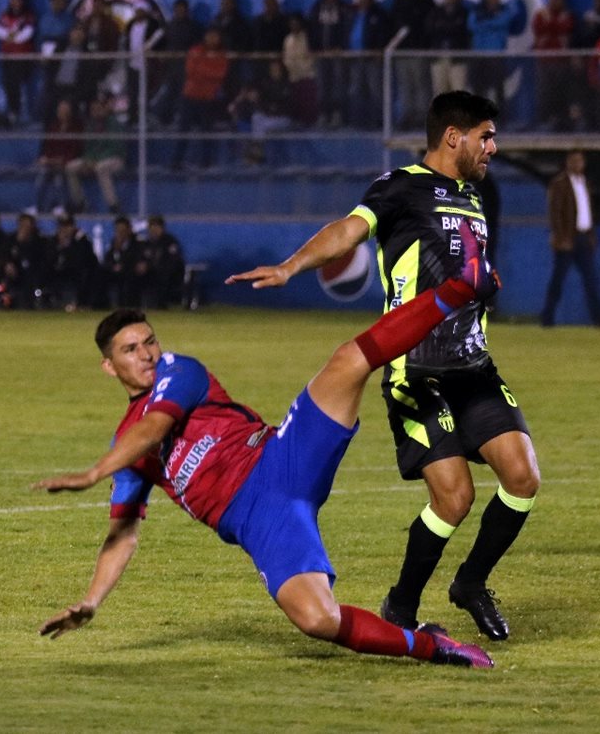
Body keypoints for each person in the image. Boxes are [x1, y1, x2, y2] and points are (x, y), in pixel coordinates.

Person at [33, 258, 499, 669]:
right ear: (109, 367)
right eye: (130, 350)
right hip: (259, 521)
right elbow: (122, 535)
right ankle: (432, 646)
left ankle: (461, 287)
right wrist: (90, 602)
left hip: (280, 458)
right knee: (318, 619)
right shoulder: (127, 447)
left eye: (149, 341)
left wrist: (93, 473)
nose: (147, 354)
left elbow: (154, 428)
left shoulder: (179, 371)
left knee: (347, 361)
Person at [226, 91, 538, 642]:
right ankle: (401, 605)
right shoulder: (402, 185)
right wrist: (291, 265)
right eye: (485, 136)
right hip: (416, 370)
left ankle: (471, 582)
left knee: (523, 477)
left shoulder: (476, 197)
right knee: (455, 499)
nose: (494, 146)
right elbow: (349, 231)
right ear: (453, 136)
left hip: (474, 365)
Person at [540, 149, 600, 327]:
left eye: (580, 161)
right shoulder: (559, 184)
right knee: (558, 280)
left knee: (591, 280)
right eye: (574, 161)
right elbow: (555, 212)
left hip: (583, 238)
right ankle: (547, 318)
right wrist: (559, 236)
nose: (577, 164)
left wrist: (591, 235)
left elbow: (587, 212)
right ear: (567, 163)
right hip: (567, 239)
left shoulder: (585, 183)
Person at [173, 28, 228, 169]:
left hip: (208, 98)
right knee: (183, 130)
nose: (212, 39)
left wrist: (203, 68)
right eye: (210, 36)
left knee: (207, 131)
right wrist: (208, 68)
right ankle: (176, 162)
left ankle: (205, 163)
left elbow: (219, 74)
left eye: (215, 36)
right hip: (190, 95)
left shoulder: (222, 55)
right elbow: (191, 70)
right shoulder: (195, 50)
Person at [391, 0, 435, 130]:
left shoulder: (426, 1)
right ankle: (408, 115)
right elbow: (393, 24)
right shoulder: (399, 1)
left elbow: (430, 26)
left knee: (421, 84)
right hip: (402, 51)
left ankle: (422, 116)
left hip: (419, 50)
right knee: (405, 85)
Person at [66, 96, 125, 214]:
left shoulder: (114, 124)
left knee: (101, 168)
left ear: (104, 109)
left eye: (98, 109)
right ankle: (80, 203)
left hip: (115, 159)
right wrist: (88, 161)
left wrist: (95, 161)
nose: (96, 112)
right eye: (93, 110)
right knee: (70, 167)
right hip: (93, 160)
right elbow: (88, 148)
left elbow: (115, 148)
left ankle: (113, 205)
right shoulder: (90, 125)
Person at [468, 0, 520, 114]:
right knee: (479, 88)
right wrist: (491, 23)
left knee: (498, 87)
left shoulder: (504, 9)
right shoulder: (477, 9)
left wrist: (484, 23)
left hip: (496, 54)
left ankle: (500, 116)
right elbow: (471, 25)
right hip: (478, 54)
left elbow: (502, 22)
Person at [308, 0, 352, 128]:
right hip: (321, 54)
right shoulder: (317, 7)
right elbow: (312, 28)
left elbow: (347, 29)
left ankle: (337, 115)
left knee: (337, 84)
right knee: (322, 85)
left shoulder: (342, 7)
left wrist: (341, 46)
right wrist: (314, 48)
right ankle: (323, 114)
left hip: (337, 54)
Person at [347, 0, 392, 128]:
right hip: (355, 57)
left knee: (375, 90)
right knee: (356, 90)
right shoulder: (353, 14)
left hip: (372, 57)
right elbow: (346, 31)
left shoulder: (378, 14)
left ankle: (378, 120)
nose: (363, 1)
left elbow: (383, 33)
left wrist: (379, 49)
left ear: (372, 0)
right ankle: (358, 120)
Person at [531, 0, 575, 130]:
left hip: (561, 61)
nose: (555, 1)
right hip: (544, 60)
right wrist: (553, 25)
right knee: (544, 92)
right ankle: (544, 122)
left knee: (561, 93)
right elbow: (538, 29)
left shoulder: (567, 15)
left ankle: (562, 123)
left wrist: (550, 24)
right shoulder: (540, 14)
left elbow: (565, 28)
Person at [0, 0, 38, 126]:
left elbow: (26, 35)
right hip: (7, 57)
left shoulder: (28, 16)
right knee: (8, 85)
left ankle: (18, 113)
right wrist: (11, 35)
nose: (15, 2)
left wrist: (11, 36)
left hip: (22, 58)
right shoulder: (5, 15)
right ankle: (11, 112)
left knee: (17, 85)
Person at [34, 100, 83, 216]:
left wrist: (58, 160)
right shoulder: (53, 127)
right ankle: (39, 208)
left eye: (65, 111)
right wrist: (44, 158)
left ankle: (62, 207)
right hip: (51, 163)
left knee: (58, 180)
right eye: (60, 111)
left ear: (70, 113)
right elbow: (48, 147)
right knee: (40, 179)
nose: (62, 113)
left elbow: (74, 150)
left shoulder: (75, 128)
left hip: (65, 162)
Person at [426, 0, 470, 97]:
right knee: (440, 92)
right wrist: (451, 26)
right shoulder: (436, 11)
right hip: (439, 56)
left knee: (458, 91)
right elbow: (430, 29)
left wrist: (443, 26)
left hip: (457, 58)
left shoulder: (464, 13)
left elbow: (462, 31)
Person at [47, 214, 97, 311]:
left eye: (68, 226)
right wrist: (60, 247)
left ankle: (77, 304)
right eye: (62, 226)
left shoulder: (82, 241)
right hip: (56, 276)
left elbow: (82, 262)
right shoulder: (53, 242)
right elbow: (48, 261)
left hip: (75, 276)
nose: (65, 229)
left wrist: (68, 247)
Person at [1, 212, 48, 309]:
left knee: (32, 276)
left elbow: (38, 258)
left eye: (27, 225)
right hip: (16, 273)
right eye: (22, 225)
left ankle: (32, 301)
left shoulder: (39, 240)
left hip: (35, 272)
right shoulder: (11, 239)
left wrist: (22, 244)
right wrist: (8, 264)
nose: (25, 228)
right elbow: (5, 255)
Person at [142, 214, 185, 309]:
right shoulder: (147, 243)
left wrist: (159, 268)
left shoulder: (169, 242)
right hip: (151, 274)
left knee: (162, 277)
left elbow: (174, 261)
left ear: (162, 228)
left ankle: (162, 305)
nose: (153, 231)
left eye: (156, 228)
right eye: (151, 228)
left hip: (168, 274)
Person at [283, 13, 319, 127]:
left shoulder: (308, 37)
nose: (294, 26)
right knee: (295, 101)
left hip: (307, 75)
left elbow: (312, 56)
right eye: (292, 24)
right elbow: (286, 56)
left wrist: (304, 68)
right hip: (293, 76)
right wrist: (291, 67)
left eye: (296, 24)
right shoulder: (287, 39)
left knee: (307, 102)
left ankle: (309, 123)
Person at [102, 215, 145, 308]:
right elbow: (108, 260)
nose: (120, 233)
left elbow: (137, 259)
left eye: (123, 230)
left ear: (129, 230)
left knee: (130, 279)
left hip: (130, 272)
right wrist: (115, 256)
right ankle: (102, 305)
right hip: (115, 273)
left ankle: (130, 305)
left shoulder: (137, 243)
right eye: (118, 230)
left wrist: (123, 265)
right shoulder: (114, 243)